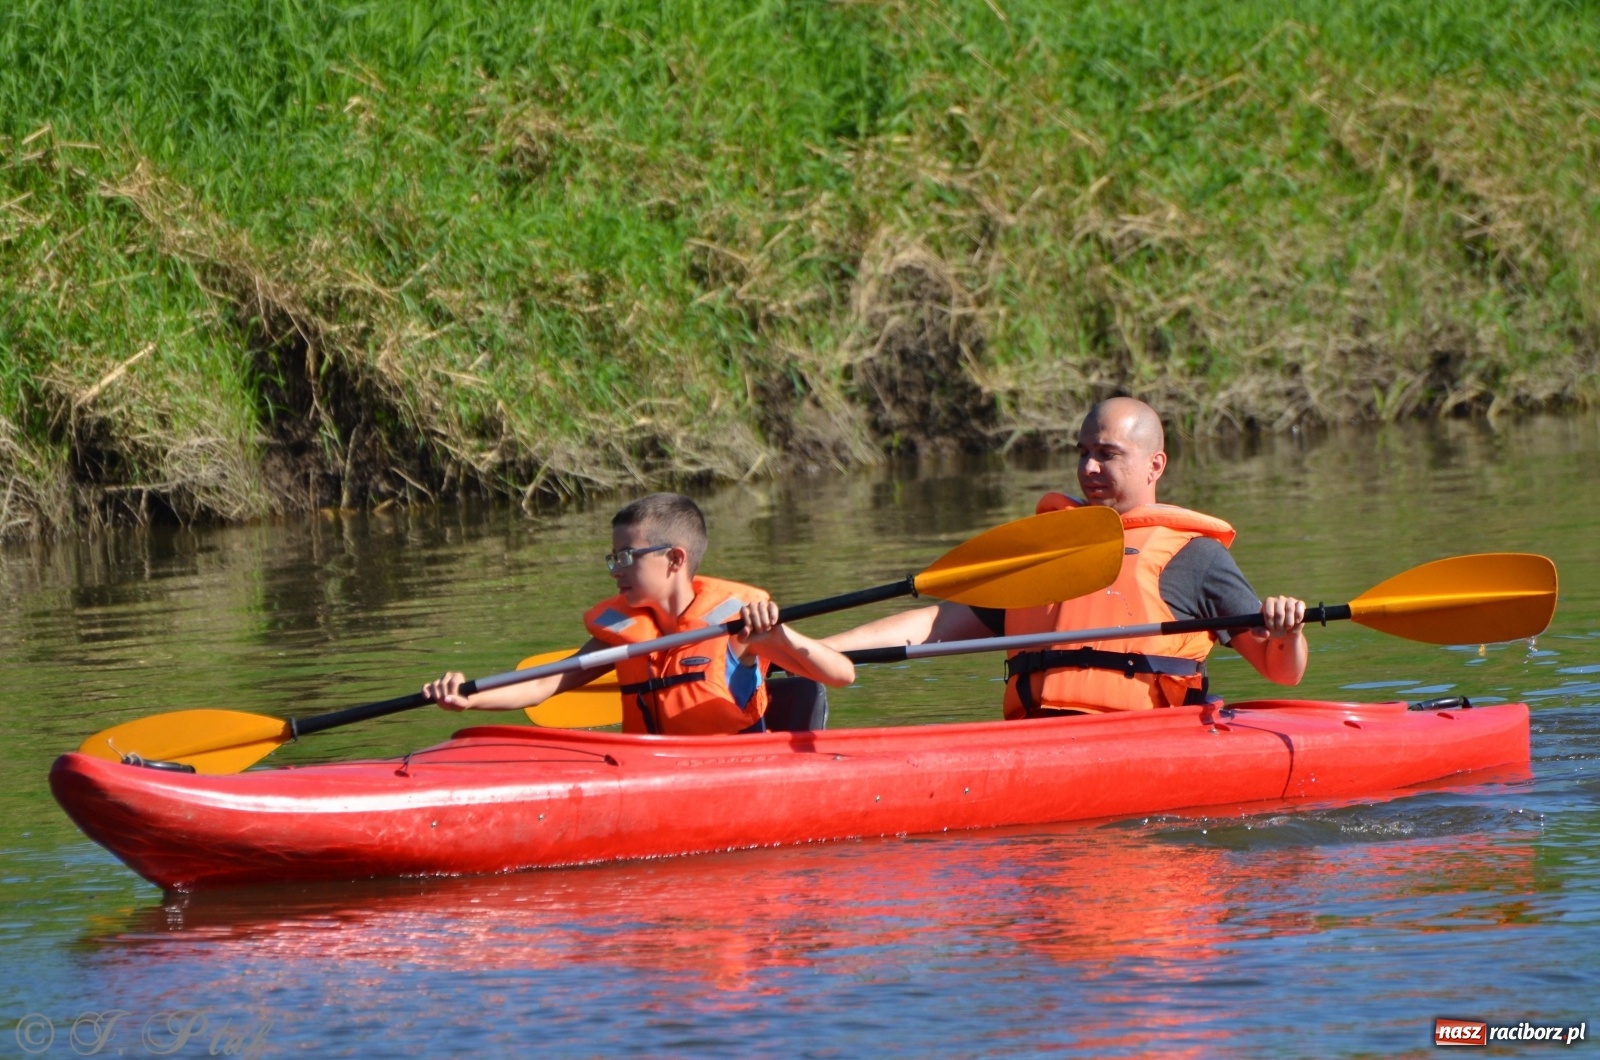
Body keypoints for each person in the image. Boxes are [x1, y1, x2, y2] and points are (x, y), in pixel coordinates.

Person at [823, 397, 1307, 716]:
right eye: (1082, 452)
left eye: (1107, 454)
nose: (1089, 468)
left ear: (1154, 464)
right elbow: (934, 627)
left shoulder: (1194, 557)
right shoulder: (1049, 552)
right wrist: (813, 650)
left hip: (1148, 743)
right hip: (1036, 740)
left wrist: (1289, 634)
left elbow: (1280, 670)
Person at [424, 493, 855, 735]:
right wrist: (469, 697)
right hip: (651, 770)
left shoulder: (740, 625)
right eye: (612, 558)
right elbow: (543, 684)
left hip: (730, 773)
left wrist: (779, 639)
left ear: (675, 559)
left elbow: (841, 675)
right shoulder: (622, 637)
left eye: (627, 557)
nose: (616, 570)